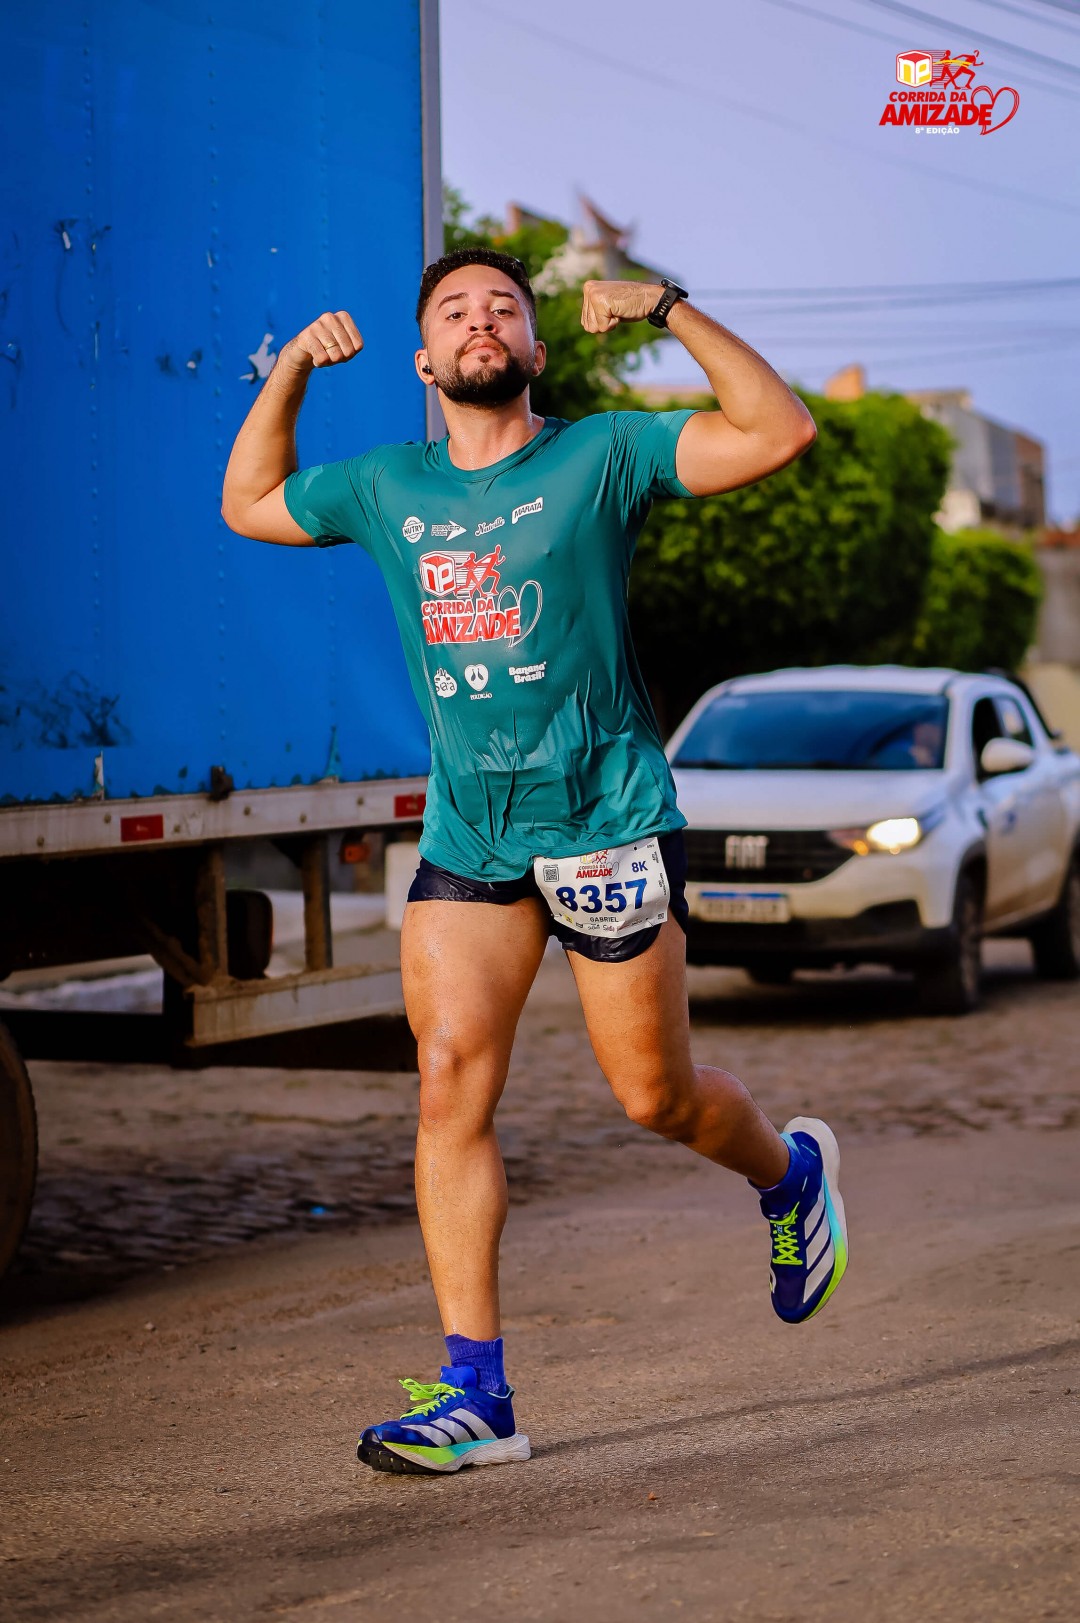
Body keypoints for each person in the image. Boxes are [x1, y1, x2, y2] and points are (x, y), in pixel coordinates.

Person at [221, 249, 849, 1477]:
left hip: (608, 818)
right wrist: (290, 368)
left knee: (656, 1099)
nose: (481, 321)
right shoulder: (385, 485)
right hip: (471, 835)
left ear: (537, 350)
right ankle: (478, 1395)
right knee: (448, 1080)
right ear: (423, 361)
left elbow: (778, 431)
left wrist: (668, 308)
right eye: (455, 311)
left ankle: (790, 1174)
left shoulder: (602, 455)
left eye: (503, 307)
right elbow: (250, 502)